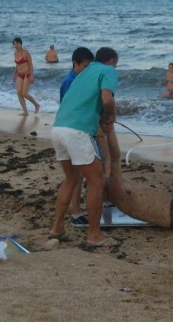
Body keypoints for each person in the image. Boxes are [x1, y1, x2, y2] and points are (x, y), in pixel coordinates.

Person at [50, 47, 119, 246]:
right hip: (76, 132)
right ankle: (94, 235)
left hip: (58, 127)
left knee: (71, 179)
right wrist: (111, 117)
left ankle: (57, 228)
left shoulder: (84, 72)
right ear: (112, 61)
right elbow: (107, 99)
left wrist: (101, 117)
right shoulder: (109, 71)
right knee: (96, 181)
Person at [58, 47, 95, 227]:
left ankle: (75, 212)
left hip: (77, 130)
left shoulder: (81, 79)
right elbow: (68, 107)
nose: (87, 70)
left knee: (77, 175)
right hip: (71, 131)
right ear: (75, 64)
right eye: (85, 66)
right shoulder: (69, 81)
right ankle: (76, 213)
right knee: (75, 176)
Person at [12, 37, 41, 116]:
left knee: (24, 93)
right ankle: (25, 111)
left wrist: (32, 74)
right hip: (19, 74)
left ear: (20, 44)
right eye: (14, 44)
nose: (16, 45)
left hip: (27, 74)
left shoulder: (25, 52)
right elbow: (17, 65)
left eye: (17, 44)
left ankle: (36, 105)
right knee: (19, 92)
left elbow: (31, 64)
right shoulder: (15, 53)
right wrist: (14, 74)